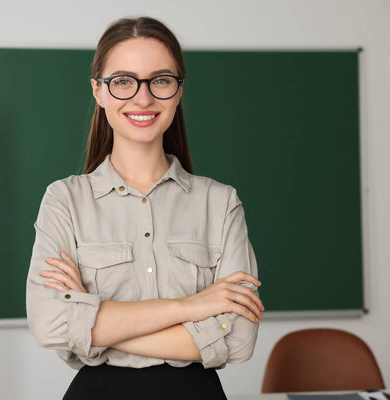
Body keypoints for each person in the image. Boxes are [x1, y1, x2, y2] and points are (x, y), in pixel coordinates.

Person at [26, 16, 264, 400]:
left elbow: (237, 339)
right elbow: (51, 324)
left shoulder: (220, 203)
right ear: (98, 91)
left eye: (161, 80)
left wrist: (95, 324)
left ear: (178, 90)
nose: (143, 98)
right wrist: (191, 306)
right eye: (123, 81)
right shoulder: (64, 200)